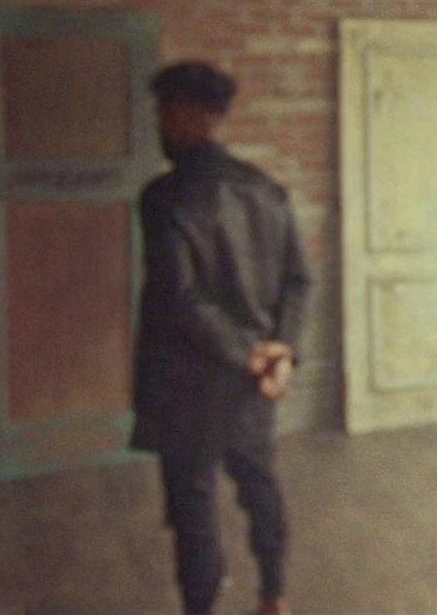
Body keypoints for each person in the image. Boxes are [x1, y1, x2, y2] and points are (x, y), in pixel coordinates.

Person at [130, 61, 310, 615]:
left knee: (194, 507)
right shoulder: (268, 191)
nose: (160, 125)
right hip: (255, 383)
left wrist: (252, 352)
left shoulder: (164, 198)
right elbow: (299, 281)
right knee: (259, 488)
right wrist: (279, 353)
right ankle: (274, 596)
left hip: (188, 383)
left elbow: (180, 299)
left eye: (164, 112)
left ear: (190, 116)